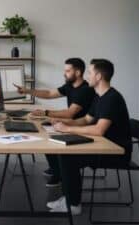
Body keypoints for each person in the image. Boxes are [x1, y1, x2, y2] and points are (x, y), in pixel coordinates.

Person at [46, 59, 132, 215]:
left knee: (68, 158)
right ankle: (69, 197)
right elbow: (86, 119)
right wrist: (64, 123)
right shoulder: (99, 96)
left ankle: (73, 204)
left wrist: (68, 129)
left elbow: (99, 130)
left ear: (98, 76)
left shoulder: (112, 98)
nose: (88, 76)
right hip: (103, 145)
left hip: (116, 152)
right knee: (64, 153)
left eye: (90, 73)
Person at [15, 58, 95, 187]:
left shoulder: (85, 90)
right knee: (45, 129)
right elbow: (49, 93)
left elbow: (70, 113)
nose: (64, 74)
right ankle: (56, 168)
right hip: (72, 123)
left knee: (50, 136)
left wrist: (45, 113)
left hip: (82, 129)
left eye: (68, 71)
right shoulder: (70, 86)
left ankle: (59, 174)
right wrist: (27, 90)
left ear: (78, 72)